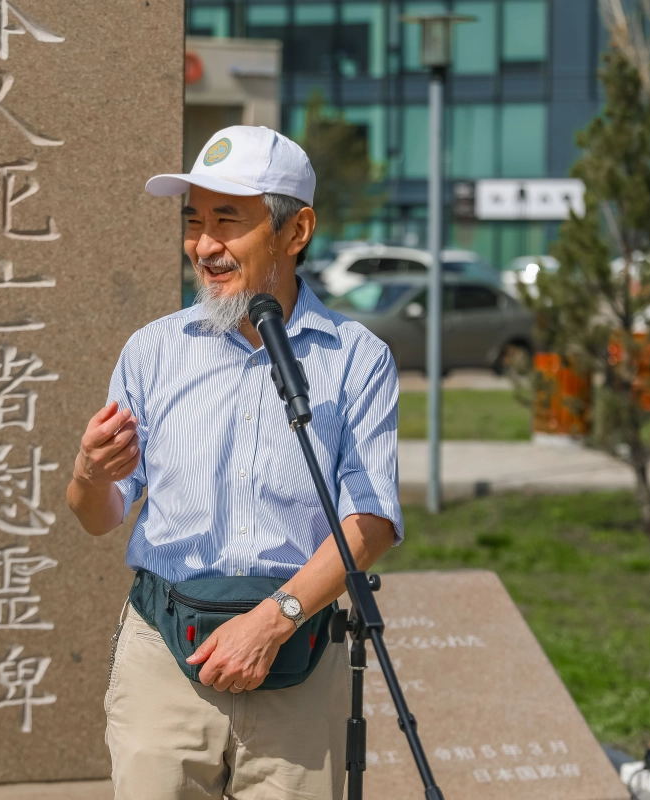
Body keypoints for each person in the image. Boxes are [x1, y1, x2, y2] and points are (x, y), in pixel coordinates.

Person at [66, 125, 403, 800]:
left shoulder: (356, 358)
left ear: (296, 230)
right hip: (164, 654)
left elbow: (370, 521)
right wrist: (90, 474)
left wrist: (273, 620)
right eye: (194, 222)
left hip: (298, 660)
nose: (204, 245)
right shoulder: (152, 352)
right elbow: (99, 517)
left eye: (228, 221)